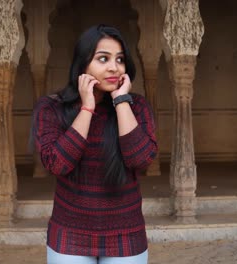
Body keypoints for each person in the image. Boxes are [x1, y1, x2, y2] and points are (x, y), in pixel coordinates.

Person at [32, 24, 157, 264]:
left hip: (126, 235)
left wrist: (121, 101)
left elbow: (141, 160)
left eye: (120, 59)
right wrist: (87, 107)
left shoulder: (136, 107)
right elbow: (57, 164)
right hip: (70, 236)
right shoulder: (52, 108)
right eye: (103, 58)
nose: (114, 67)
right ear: (82, 65)